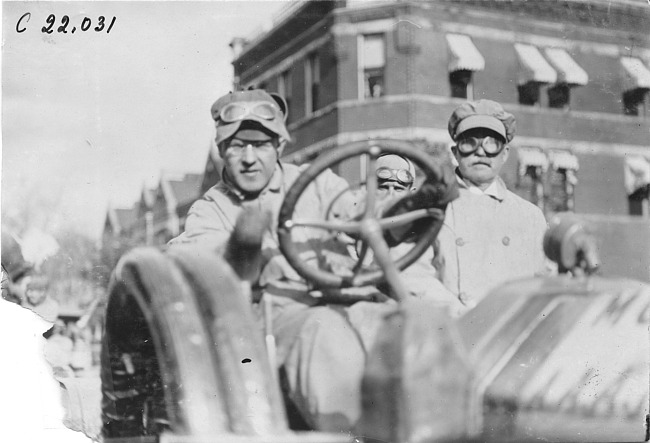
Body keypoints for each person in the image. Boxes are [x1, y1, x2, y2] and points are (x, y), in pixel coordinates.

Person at [170, 89, 457, 433]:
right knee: (323, 331)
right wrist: (242, 243)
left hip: (353, 299)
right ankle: (353, 432)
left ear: (279, 147)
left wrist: (411, 208)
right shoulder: (210, 210)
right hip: (274, 322)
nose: (249, 158)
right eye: (237, 145)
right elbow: (207, 264)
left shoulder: (314, 183)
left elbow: (358, 210)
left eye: (260, 145)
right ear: (221, 151)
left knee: (423, 324)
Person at [435, 99, 548, 314]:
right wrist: (456, 311)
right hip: (449, 330)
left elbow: (546, 283)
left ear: (504, 154)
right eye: (469, 143)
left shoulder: (530, 217)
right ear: (455, 152)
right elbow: (415, 276)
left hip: (510, 330)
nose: (481, 152)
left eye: (491, 143)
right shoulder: (433, 209)